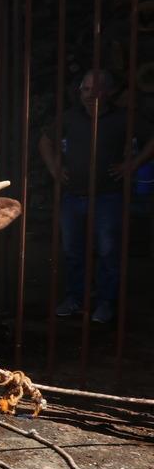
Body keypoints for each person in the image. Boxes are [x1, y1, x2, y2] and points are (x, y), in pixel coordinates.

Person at [39, 69, 154, 323]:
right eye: (86, 89)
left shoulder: (124, 118)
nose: (91, 95)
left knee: (108, 252)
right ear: (80, 92)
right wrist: (54, 168)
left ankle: (106, 303)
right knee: (73, 252)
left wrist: (132, 165)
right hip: (73, 196)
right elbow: (46, 141)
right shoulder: (70, 118)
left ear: (109, 92)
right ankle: (75, 299)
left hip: (108, 197)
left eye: (97, 89)